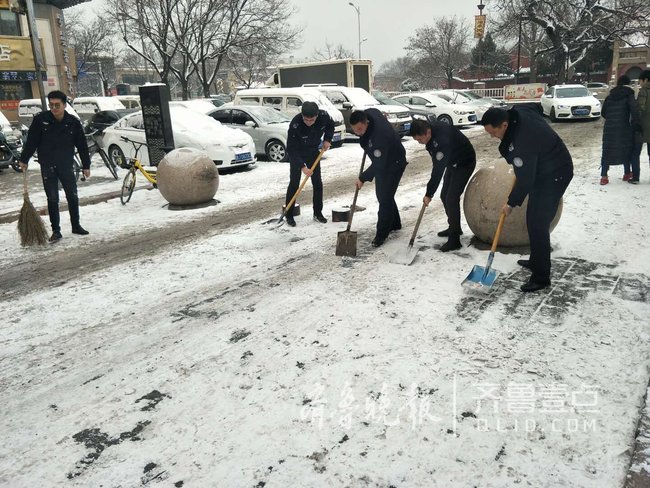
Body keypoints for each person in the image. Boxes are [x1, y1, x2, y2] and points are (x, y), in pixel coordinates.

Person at [481, 106, 573, 293]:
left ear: (505, 124)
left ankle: (541, 277)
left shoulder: (522, 143)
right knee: (533, 219)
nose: (492, 136)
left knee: (538, 224)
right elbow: (535, 109)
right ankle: (536, 259)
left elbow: (525, 180)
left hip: (556, 173)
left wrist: (511, 203)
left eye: (494, 132)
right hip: (543, 166)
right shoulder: (517, 113)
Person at [18, 90, 91, 242]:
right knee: (52, 198)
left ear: (64, 105)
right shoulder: (41, 120)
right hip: (48, 165)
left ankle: (76, 225)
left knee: (72, 196)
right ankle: (56, 230)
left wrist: (86, 165)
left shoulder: (73, 122)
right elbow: (31, 142)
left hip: (66, 165)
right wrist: (24, 159)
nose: (54, 108)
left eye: (57, 105)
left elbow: (82, 145)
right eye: (51, 105)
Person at [409, 119, 476, 252]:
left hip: (464, 163)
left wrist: (429, 194)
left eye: (420, 140)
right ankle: (454, 227)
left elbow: (437, 170)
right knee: (444, 195)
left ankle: (454, 239)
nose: (420, 143)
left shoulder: (442, 141)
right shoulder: (431, 130)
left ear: (427, 132)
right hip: (452, 162)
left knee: (451, 198)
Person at [350, 108, 407, 247]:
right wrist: (364, 137)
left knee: (385, 198)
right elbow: (374, 111)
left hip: (395, 162)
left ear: (366, 123)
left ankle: (381, 234)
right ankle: (395, 224)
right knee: (383, 195)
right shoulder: (370, 113)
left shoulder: (379, 137)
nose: (357, 133)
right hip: (384, 159)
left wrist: (362, 178)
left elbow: (379, 165)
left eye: (359, 129)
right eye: (354, 130)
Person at [284, 101, 334, 227]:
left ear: (317, 116)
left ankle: (318, 213)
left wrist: (328, 139)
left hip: (313, 151)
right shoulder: (295, 124)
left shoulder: (323, 116)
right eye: (306, 119)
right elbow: (291, 148)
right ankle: (289, 215)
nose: (309, 122)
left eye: (312, 120)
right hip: (298, 153)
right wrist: (302, 167)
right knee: (294, 184)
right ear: (302, 115)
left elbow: (330, 125)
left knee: (317, 183)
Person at [600, 75, 641, 185]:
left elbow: (603, 113)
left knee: (607, 151)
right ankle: (627, 173)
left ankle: (604, 176)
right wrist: (636, 124)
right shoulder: (629, 95)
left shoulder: (610, 96)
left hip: (609, 128)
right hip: (624, 127)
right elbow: (634, 111)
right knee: (626, 149)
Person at [630, 69, 650, 184]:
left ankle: (636, 177)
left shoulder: (644, 91)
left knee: (635, 153)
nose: (640, 83)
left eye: (640, 80)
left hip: (642, 128)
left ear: (646, 80)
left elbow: (639, 109)